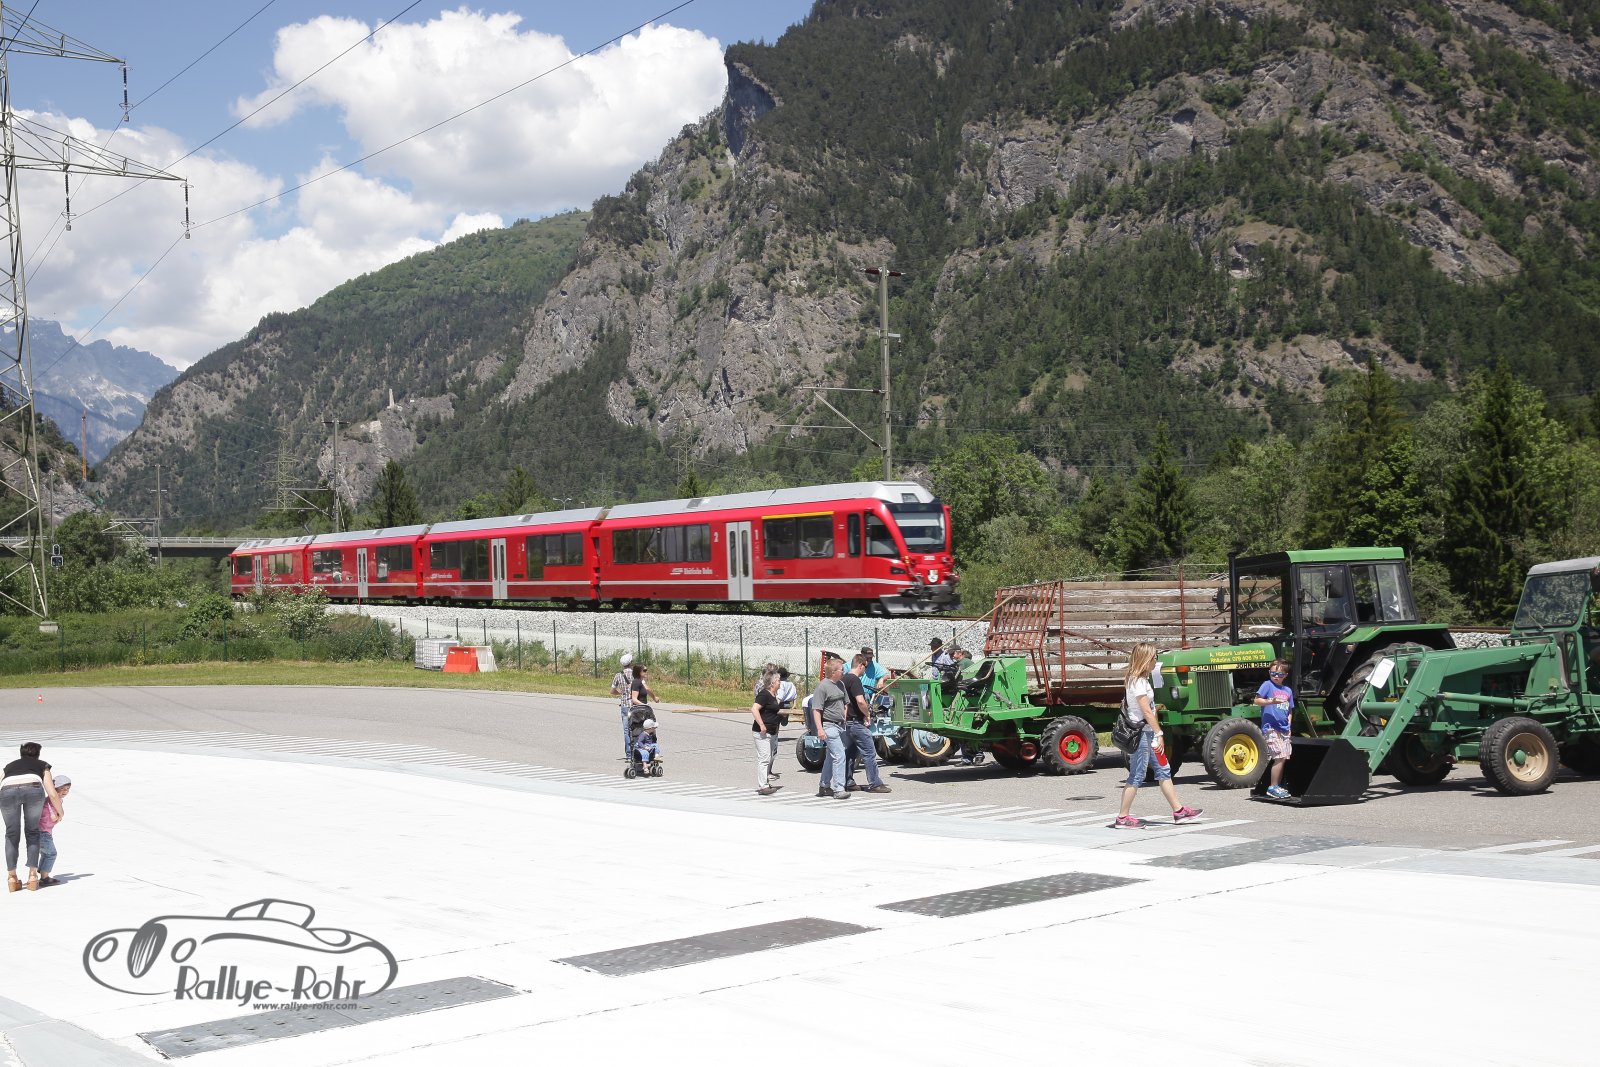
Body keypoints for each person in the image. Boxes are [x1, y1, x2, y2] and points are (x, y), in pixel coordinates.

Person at [1112, 644, 1203, 828]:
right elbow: (1146, 711)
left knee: (1163, 770)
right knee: (1137, 775)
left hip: (1149, 734)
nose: (1156, 661)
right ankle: (1122, 817)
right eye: (1154, 657)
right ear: (1146, 659)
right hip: (1142, 735)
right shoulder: (1137, 682)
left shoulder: (1142, 680)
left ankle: (1179, 811)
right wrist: (1159, 733)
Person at [3, 742, 64, 892]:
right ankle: (32, 876)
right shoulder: (42, 765)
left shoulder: (9, 766)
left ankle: (12, 878)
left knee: (11, 834)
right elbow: (52, 793)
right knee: (32, 832)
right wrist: (60, 811)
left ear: (21, 754)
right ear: (38, 755)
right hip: (33, 789)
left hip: (7, 791)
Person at [842, 654, 892, 793]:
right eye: (865, 666)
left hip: (847, 723)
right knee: (869, 752)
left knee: (850, 753)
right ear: (860, 665)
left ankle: (847, 781)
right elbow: (860, 701)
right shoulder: (855, 680)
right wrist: (867, 714)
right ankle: (875, 783)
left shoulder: (844, 679)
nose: (865, 669)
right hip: (857, 723)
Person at [809, 656, 851, 799]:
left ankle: (824, 786)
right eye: (841, 670)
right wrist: (820, 729)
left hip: (840, 725)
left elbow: (845, 703)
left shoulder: (841, 684)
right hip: (828, 725)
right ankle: (839, 789)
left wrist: (844, 715)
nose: (843, 672)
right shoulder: (822, 687)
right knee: (839, 755)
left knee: (831, 757)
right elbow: (816, 709)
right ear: (833, 672)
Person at [1255, 659, 1295, 800]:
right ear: (1269, 673)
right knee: (1279, 756)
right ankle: (1272, 787)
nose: (1276, 676)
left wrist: (1289, 725)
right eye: (1273, 673)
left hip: (1284, 729)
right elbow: (1257, 700)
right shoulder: (1267, 685)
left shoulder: (1288, 691)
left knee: (1283, 757)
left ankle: (1277, 785)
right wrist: (1271, 701)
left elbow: (1289, 710)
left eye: (1279, 674)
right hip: (1271, 728)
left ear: (1285, 675)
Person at [751, 670, 784, 795]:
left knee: (769, 757)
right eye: (778, 681)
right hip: (762, 732)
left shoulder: (773, 695)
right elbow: (754, 709)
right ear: (772, 683)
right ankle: (763, 786)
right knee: (764, 758)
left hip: (771, 732)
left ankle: (765, 782)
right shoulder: (764, 694)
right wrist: (762, 725)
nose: (780, 683)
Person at [38, 774, 71, 888]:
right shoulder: (51, 799)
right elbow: (52, 814)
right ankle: (44, 878)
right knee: (51, 854)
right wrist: (57, 816)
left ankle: (43, 874)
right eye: (62, 788)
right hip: (42, 832)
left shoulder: (58, 800)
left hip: (44, 831)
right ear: (54, 789)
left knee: (45, 853)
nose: (65, 791)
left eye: (67, 789)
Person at [610, 653, 635, 760]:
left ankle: (629, 755)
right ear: (631, 663)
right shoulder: (635, 674)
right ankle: (638, 752)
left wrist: (621, 693)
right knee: (636, 728)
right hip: (635, 704)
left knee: (626, 730)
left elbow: (612, 691)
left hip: (624, 705)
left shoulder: (618, 675)